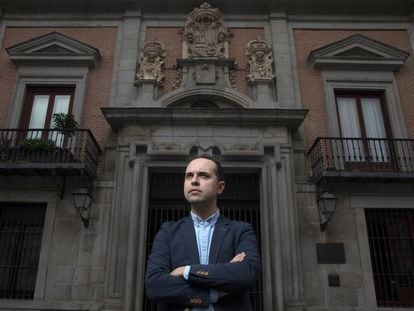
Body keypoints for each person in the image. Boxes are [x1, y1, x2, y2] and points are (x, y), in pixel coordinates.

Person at [145, 155, 261, 311]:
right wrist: (213, 293)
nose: (194, 180)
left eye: (203, 175)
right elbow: (155, 285)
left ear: (220, 187)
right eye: (189, 176)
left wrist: (185, 271)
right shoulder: (168, 231)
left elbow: (247, 274)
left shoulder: (240, 230)